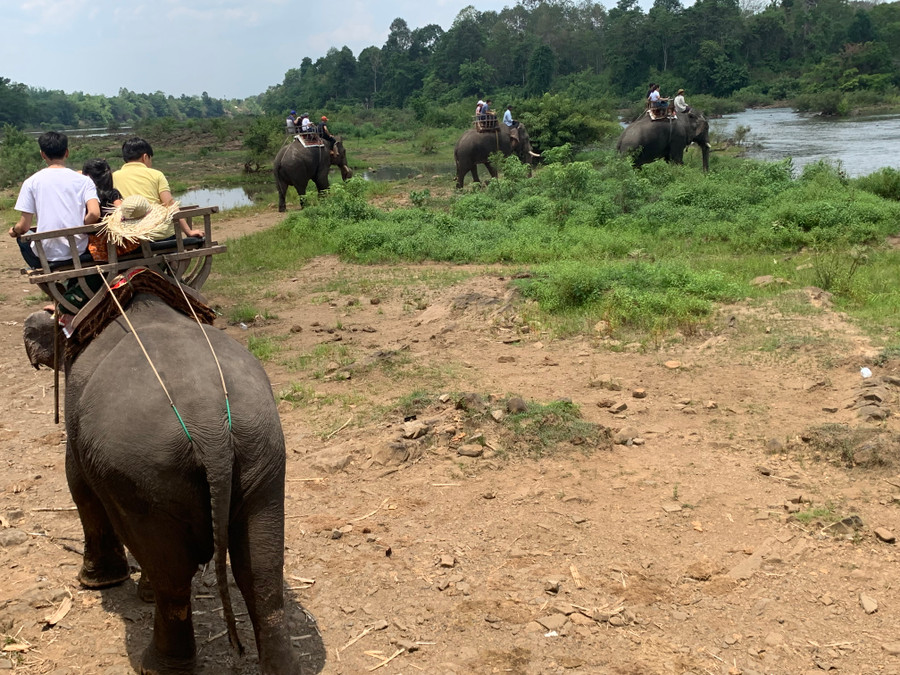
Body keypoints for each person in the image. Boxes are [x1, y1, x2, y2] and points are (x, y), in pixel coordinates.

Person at [9, 131, 100, 270]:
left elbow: (24, 227)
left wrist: (15, 230)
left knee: (22, 239)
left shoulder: (31, 182)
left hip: (45, 253)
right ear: (67, 152)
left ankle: (46, 277)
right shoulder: (84, 181)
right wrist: (80, 226)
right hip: (79, 249)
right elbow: (94, 213)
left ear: (43, 154)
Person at [112, 137, 202, 241]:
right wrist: (188, 231)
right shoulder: (156, 175)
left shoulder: (114, 176)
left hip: (130, 237)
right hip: (159, 233)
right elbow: (170, 205)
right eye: (150, 159)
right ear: (145, 157)